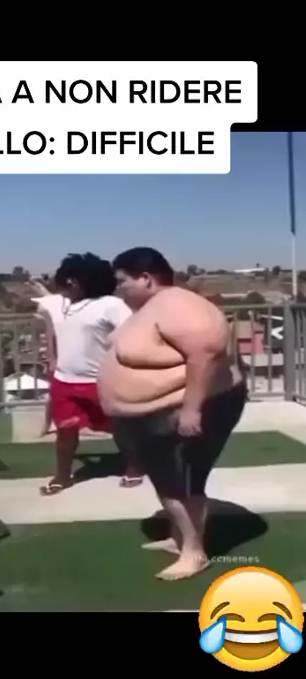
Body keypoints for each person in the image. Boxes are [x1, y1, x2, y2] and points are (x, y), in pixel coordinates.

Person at [98, 248, 247, 582]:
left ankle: (194, 552)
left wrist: (191, 410)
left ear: (145, 278)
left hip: (185, 409)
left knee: (183, 483)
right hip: (151, 414)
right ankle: (180, 537)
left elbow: (205, 353)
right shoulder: (152, 308)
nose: (119, 289)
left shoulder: (182, 306)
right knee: (167, 481)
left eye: (122, 282)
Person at [32, 254, 144, 496]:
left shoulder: (110, 305)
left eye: (70, 281)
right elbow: (46, 315)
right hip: (64, 381)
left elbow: (133, 332)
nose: (66, 286)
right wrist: (51, 356)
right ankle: (62, 476)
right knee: (65, 431)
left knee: (121, 429)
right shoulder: (60, 303)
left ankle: (135, 467)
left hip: (102, 381)